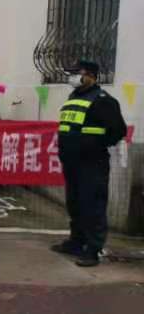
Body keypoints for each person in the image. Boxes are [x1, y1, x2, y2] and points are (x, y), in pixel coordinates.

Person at [50, 60, 127, 267]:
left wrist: (93, 146)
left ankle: (93, 249)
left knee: (92, 205)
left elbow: (118, 131)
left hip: (92, 163)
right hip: (72, 162)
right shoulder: (73, 97)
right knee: (75, 203)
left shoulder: (103, 100)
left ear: (91, 76)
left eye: (77, 73)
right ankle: (76, 241)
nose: (72, 77)